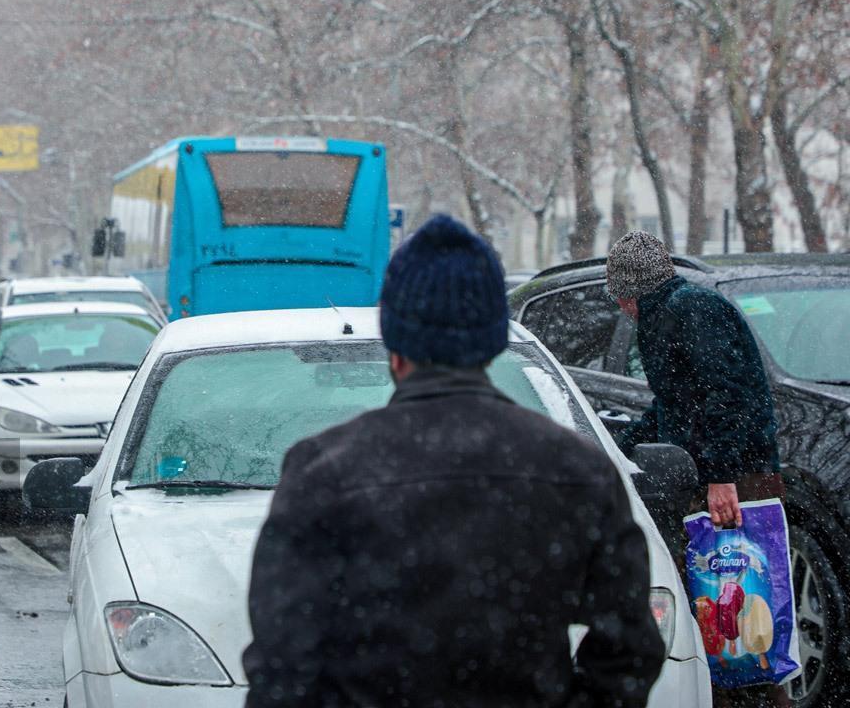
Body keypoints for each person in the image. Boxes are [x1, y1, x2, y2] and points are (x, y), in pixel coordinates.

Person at [243, 215, 665, 708]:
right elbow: (630, 648)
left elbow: (283, 667)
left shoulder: (324, 470)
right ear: (491, 343)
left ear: (394, 344)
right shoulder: (578, 469)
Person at [606, 231, 787, 708]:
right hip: (715, 473)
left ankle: (758, 695)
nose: (621, 306)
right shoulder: (670, 312)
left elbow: (724, 395)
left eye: (620, 294)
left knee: (749, 604)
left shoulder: (690, 311)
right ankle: (732, 692)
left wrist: (722, 477)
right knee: (729, 606)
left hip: (736, 479)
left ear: (632, 289)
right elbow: (673, 407)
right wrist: (616, 446)